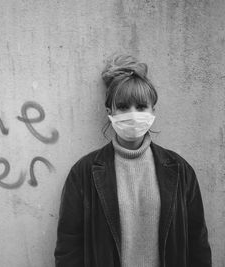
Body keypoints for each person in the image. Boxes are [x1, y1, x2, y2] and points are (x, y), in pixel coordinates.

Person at [54, 54, 211, 267]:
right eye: (123, 106)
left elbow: (197, 242)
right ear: (110, 112)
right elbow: (69, 246)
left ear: (153, 111)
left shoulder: (180, 170)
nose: (133, 114)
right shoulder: (84, 172)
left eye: (141, 106)